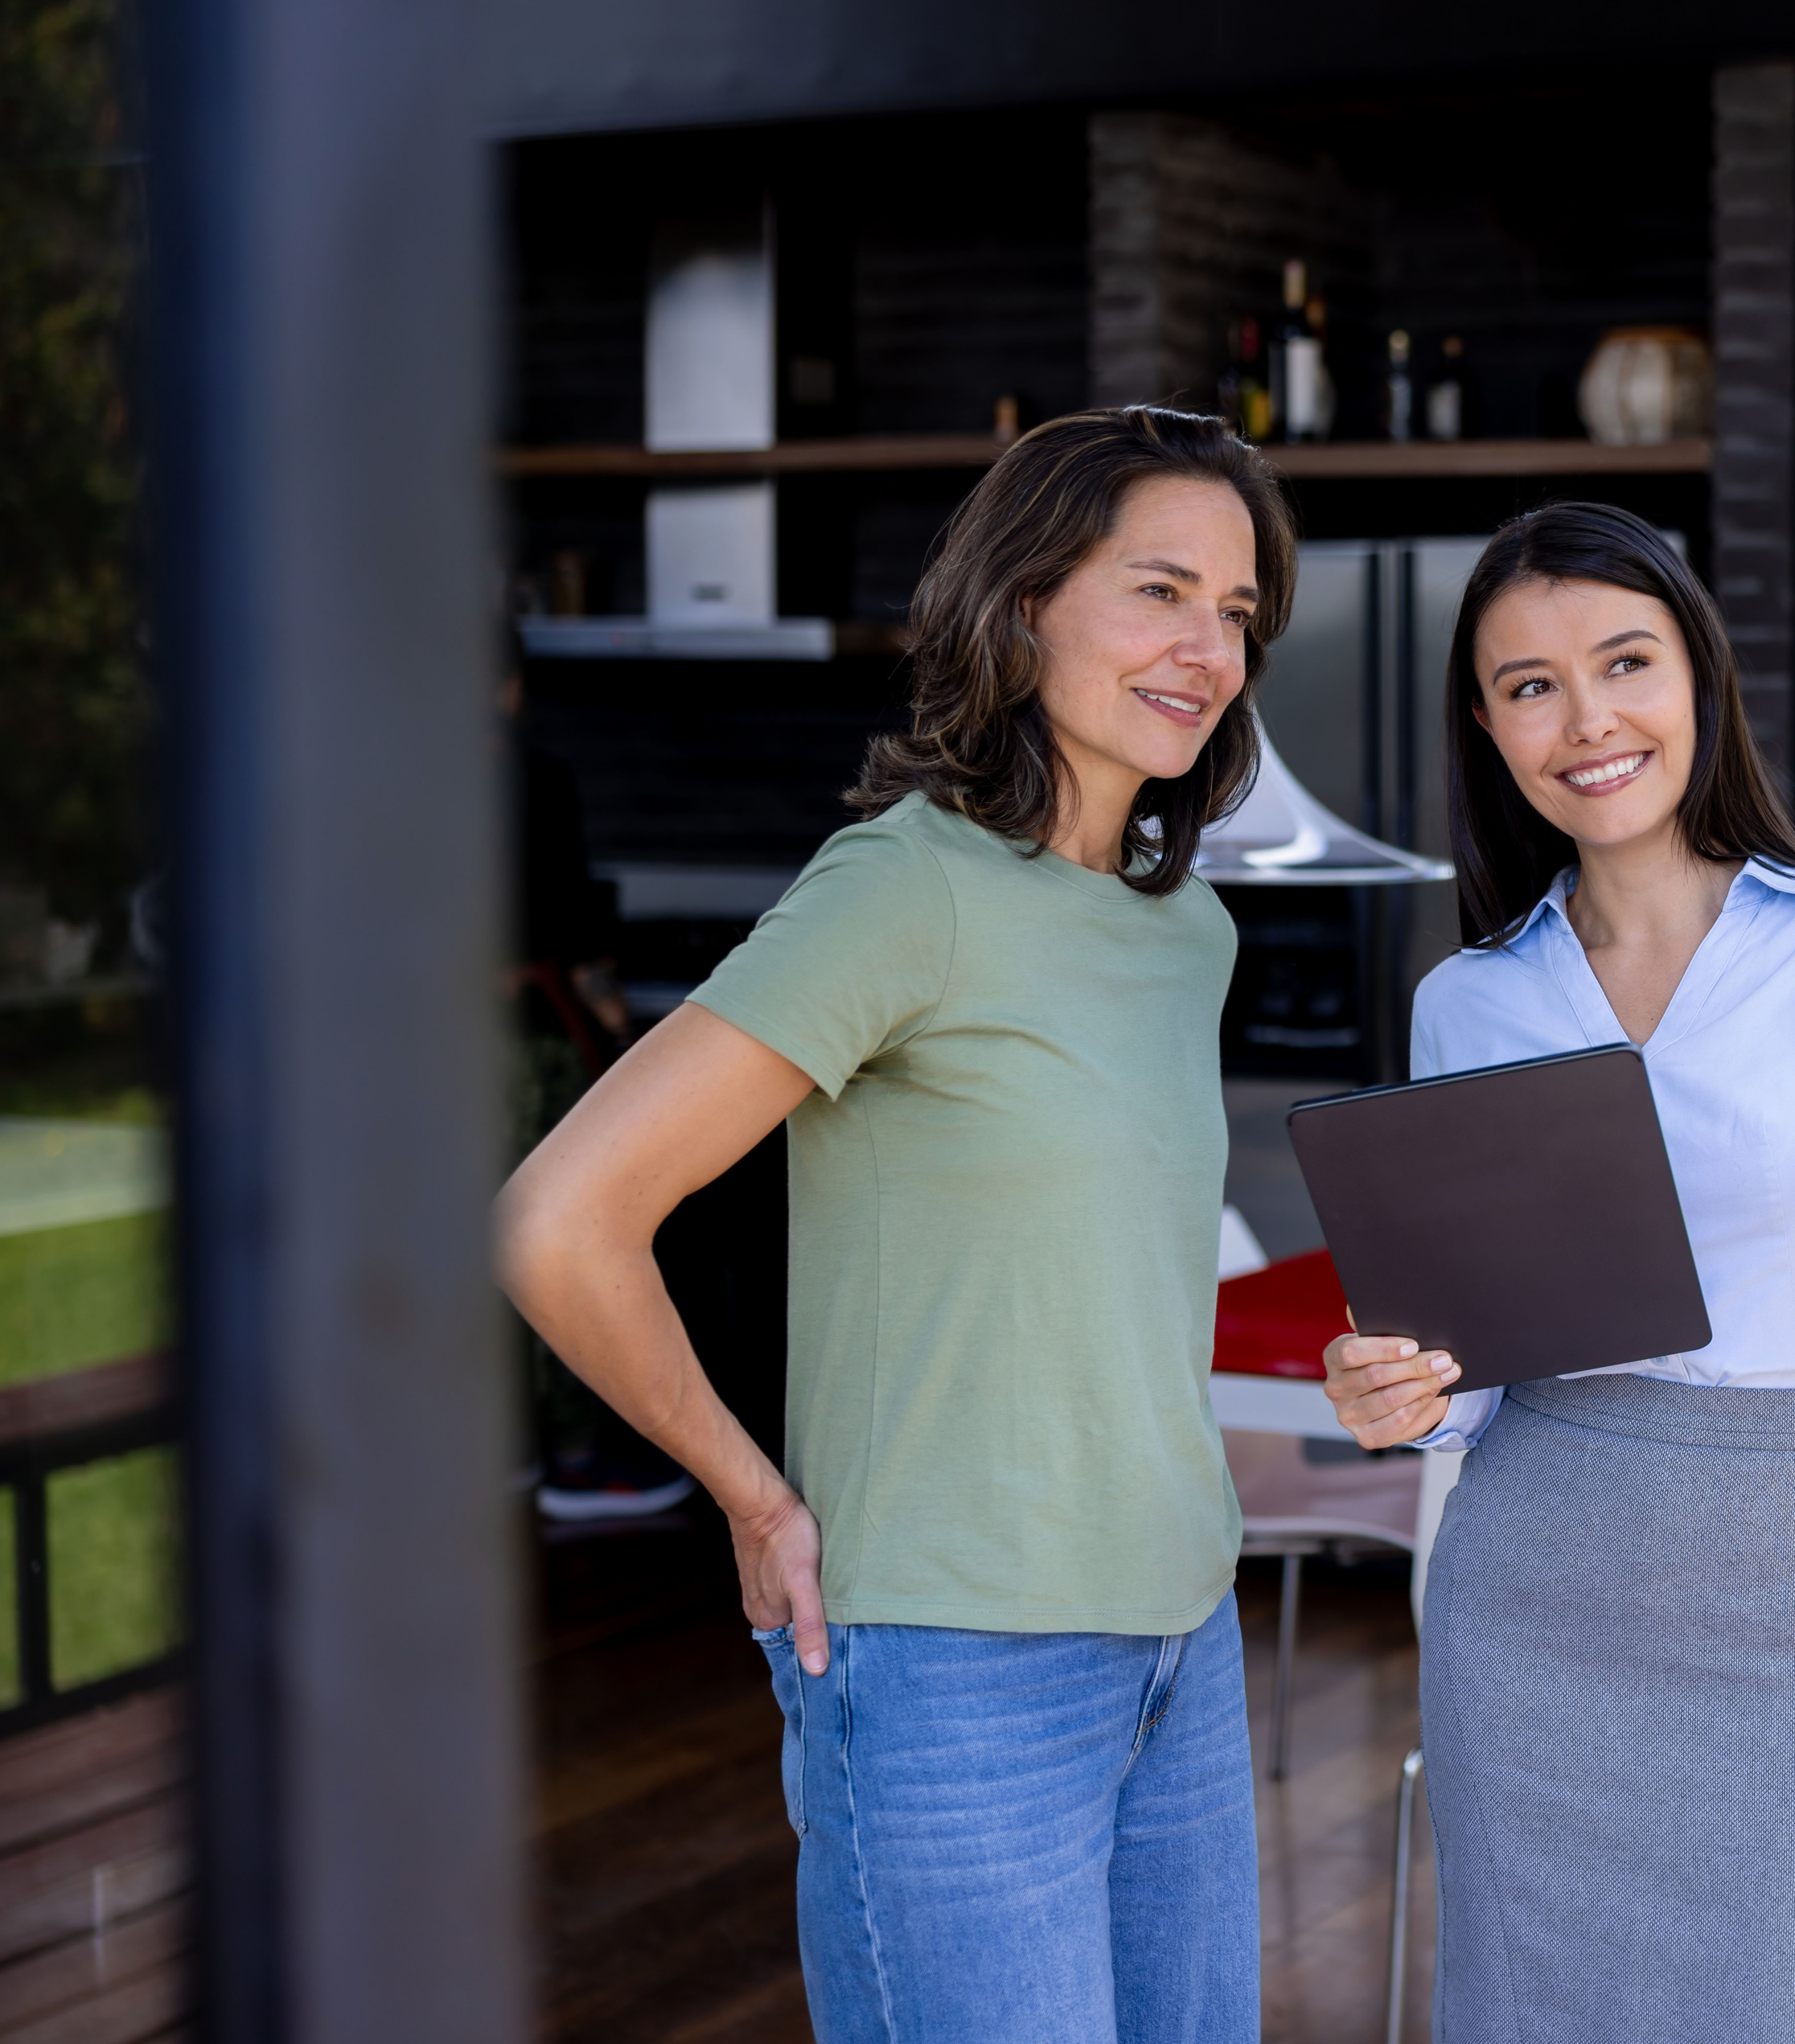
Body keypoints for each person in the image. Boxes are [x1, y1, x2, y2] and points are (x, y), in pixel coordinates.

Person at [496, 406, 1293, 2043]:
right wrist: (748, 1491)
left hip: (1180, 1638)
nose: (1205, 647)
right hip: (953, 1670)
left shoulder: (1184, 926)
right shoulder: (901, 887)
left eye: (1235, 611)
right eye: (1159, 590)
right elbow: (561, 1217)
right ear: (1021, 603)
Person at [1320, 502, 1795, 2042]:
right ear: (1490, 726)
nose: (1586, 720)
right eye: (1529, 685)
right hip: (1538, 1594)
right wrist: (1401, 1391)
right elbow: (1475, 1375)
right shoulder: (1469, 998)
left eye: (1625, 662)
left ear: (1700, 681)